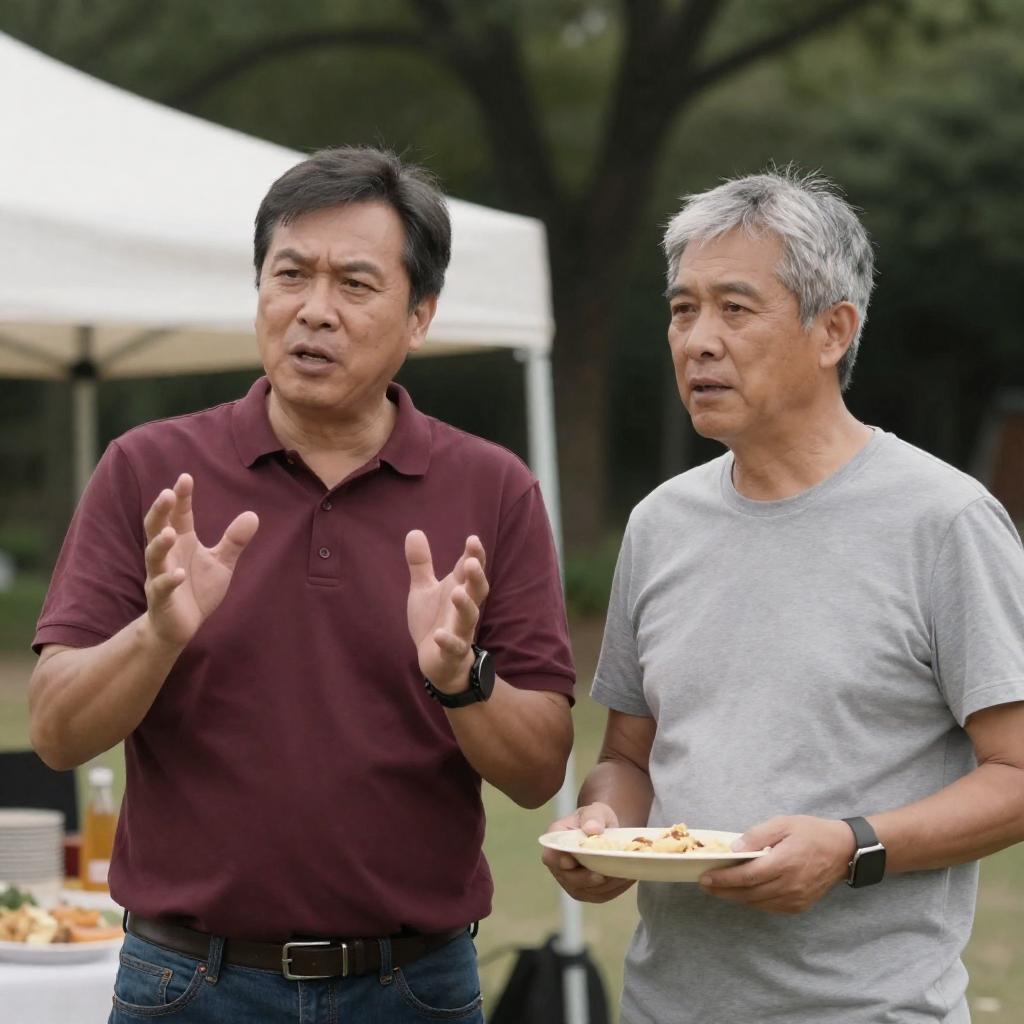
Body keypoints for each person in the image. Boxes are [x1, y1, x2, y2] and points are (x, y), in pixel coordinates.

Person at [29, 146, 575, 1023]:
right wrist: (156, 635)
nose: (314, 310)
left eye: (355, 284)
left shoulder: (493, 489)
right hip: (187, 985)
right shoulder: (152, 471)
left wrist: (460, 679)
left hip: (413, 988)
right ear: (259, 291)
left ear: (420, 316)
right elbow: (57, 733)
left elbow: (540, 770)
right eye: (290, 275)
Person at [542, 168, 1024, 1023]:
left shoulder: (944, 521)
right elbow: (629, 759)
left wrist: (851, 847)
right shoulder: (659, 524)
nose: (698, 340)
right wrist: (603, 829)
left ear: (834, 330)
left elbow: (1017, 772)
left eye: (735, 308)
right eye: (683, 309)